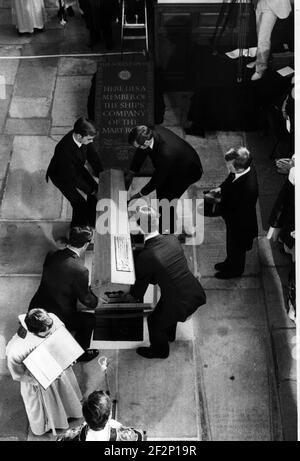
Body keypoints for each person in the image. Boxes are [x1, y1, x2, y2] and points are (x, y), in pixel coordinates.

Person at [125, 206, 206, 359]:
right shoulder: (172, 239)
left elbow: (138, 292)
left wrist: (128, 295)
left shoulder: (146, 256)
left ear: (140, 228)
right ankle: (169, 335)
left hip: (179, 302)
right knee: (166, 313)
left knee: (154, 322)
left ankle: (159, 351)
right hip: (193, 290)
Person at [6, 309, 83, 436]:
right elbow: (17, 375)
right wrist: (39, 380)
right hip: (37, 380)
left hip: (58, 364)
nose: (51, 333)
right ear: (33, 331)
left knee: (66, 393)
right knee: (45, 406)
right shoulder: (16, 349)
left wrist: (69, 356)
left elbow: (63, 337)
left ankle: (70, 413)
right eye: (47, 334)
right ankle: (47, 425)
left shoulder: (52, 319)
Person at [29, 226, 99, 363]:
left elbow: (61, 278)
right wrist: (97, 301)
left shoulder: (51, 255)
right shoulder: (80, 270)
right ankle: (80, 354)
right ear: (86, 244)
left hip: (38, 306)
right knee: (89, 320)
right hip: (58, 316)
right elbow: (86, 299)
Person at [126, 125, 203, 235]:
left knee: (167, 200)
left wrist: (139, 194)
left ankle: (166, 232)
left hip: (187, 171)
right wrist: (132, 172)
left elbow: (157, 180)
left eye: (138, 146)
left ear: (147, 142)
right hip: (174, 162)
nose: (137, 148)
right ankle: (167, 220)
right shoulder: (147, 131)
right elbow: (141, 152)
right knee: (161, 194)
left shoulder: (166, 153)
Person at [209, 147, 258, 279]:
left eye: (229, 166)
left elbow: (238, 211)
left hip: (240, 225)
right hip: (234, 220)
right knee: (231, 247)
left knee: (237, 249)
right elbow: (230, 178)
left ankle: (235, 271)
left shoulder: (249, 189)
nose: (227, 168)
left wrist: (219, 206)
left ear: (240, 169)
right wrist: (221, 188)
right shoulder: (242, 168)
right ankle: (228, 262)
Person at [46, 117, 103, 228]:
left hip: (76, 167)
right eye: (89, 139)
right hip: (62, 176)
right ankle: (77, 233)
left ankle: (92, 222)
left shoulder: (83, 135)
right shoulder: (64, 151)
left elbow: (93, 156)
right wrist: (91, 192)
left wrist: (101, 174)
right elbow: (73, 178)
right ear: (79, 136)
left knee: (96, 188)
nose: (91, 142)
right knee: (79, 203)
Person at [57, 390, 143, 441]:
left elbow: (60, 439)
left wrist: (80, 428)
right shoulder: (124, 435)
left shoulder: (71, 435)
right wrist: (120, 427)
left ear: (85, 418)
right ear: (109, 416)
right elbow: (139, 435)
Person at [247, 0, 292, 81]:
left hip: (272, 6)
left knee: (263, 39)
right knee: (259, 35)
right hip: (260, 3)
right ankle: (259, 60)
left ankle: (260, 69)